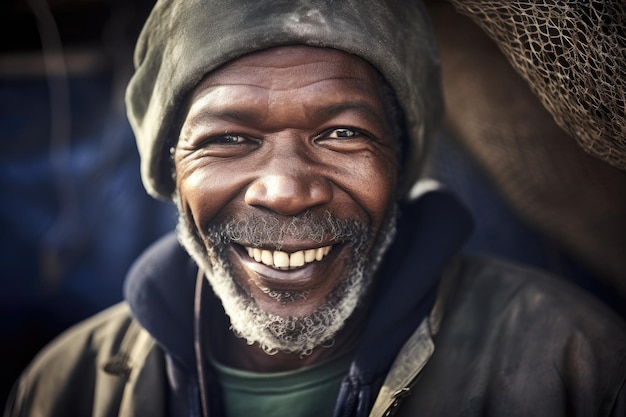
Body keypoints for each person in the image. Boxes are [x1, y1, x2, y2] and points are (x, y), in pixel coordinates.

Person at [5, 1, 626, 416]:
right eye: (228, 139)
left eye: (342, 134)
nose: (287, 190)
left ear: (402, 160)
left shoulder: (572, 360)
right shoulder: (66, 384)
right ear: (169, 168)